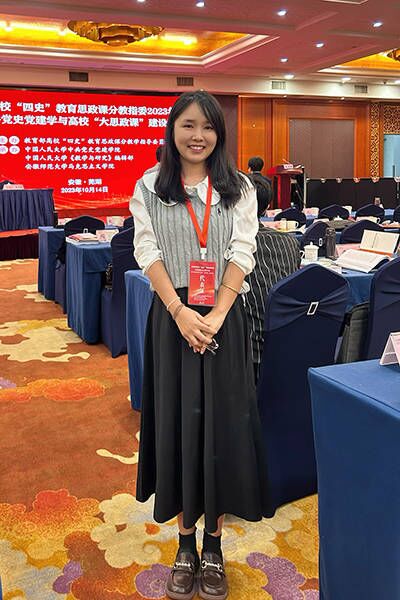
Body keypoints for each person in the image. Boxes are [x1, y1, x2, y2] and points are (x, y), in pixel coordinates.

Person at [131, 91, 273, 600]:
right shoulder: (150, 186)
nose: (198, 136)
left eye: (208, 127)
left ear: (219, 134)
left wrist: (215, 315)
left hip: (222, 320)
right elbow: (146, 250)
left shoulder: (238, 187)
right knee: (178, 426)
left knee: (221, 427)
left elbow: (242, 250)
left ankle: (213, 543)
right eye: (188, 125)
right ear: (172, 129)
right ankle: (184, 543)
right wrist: (179, 311)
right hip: (173, 319)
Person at [245, 199, 301, 382]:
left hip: (246, 349)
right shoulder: (290, 242)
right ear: (267, 207)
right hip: (289, 342)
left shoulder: (231, 247)